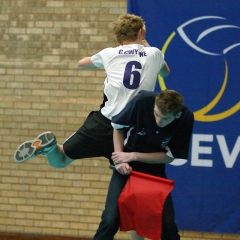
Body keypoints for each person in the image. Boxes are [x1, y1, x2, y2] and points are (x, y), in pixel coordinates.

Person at [14, 13, 169, 168]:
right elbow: (165, 72)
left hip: (103, 124)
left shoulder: (109, 53)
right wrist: (146, 46)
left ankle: (50, 148)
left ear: (117, 40)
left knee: (60, 159)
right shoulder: (154, 53)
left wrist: (105, 60)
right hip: (133, 131)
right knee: (133, 177)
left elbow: (82, 64)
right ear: (140, 33)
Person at [95, 89, 194, 240]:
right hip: (126, 164)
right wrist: (120, 158)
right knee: (110, 220)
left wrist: (134, 155)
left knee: (167, 225)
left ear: (177, 115)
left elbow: (169, 157)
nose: (158, 121)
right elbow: (117, 127)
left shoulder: (186, 118)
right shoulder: (142, 100)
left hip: (153, 168)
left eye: (165, 119)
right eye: (156, 114)